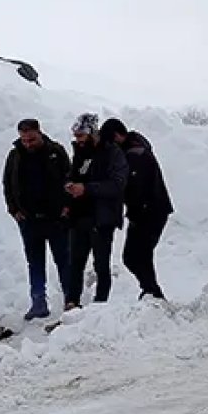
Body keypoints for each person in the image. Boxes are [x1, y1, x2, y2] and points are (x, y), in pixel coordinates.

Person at [2, 118, 72, 320]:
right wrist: (14, 210)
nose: (28, 144)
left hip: (56, 218)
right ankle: (38, 302)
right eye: (24, 140)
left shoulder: (55, 152)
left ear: (39, 133)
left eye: (31, 139)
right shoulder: (15, 156)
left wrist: (67, 206)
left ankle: (71, 299)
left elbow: (70, 178)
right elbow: (8, 184)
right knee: (35, 262)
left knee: (64, 260)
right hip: (29, 220)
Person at [99, 117, 174, 299]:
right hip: (148, 211)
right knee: (138, 256)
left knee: (135, 256)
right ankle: (151, 292)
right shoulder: (135, 148)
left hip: (149, 212)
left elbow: (134, 187)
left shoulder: (135, 155)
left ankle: (152, 293)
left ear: (117, 136)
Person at [64, 112, 129, 307]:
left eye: (81, 136)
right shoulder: (79, 153)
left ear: (92, 133)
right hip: (78, 216)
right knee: (74, 263)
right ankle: (72, 303)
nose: (78, 140)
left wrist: (87, 189)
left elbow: (117, 185)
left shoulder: (112, 153)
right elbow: (73, 175)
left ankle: (100, 306)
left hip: (102, 218)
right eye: (76, 136)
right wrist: (69, 189)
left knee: (101, 265)